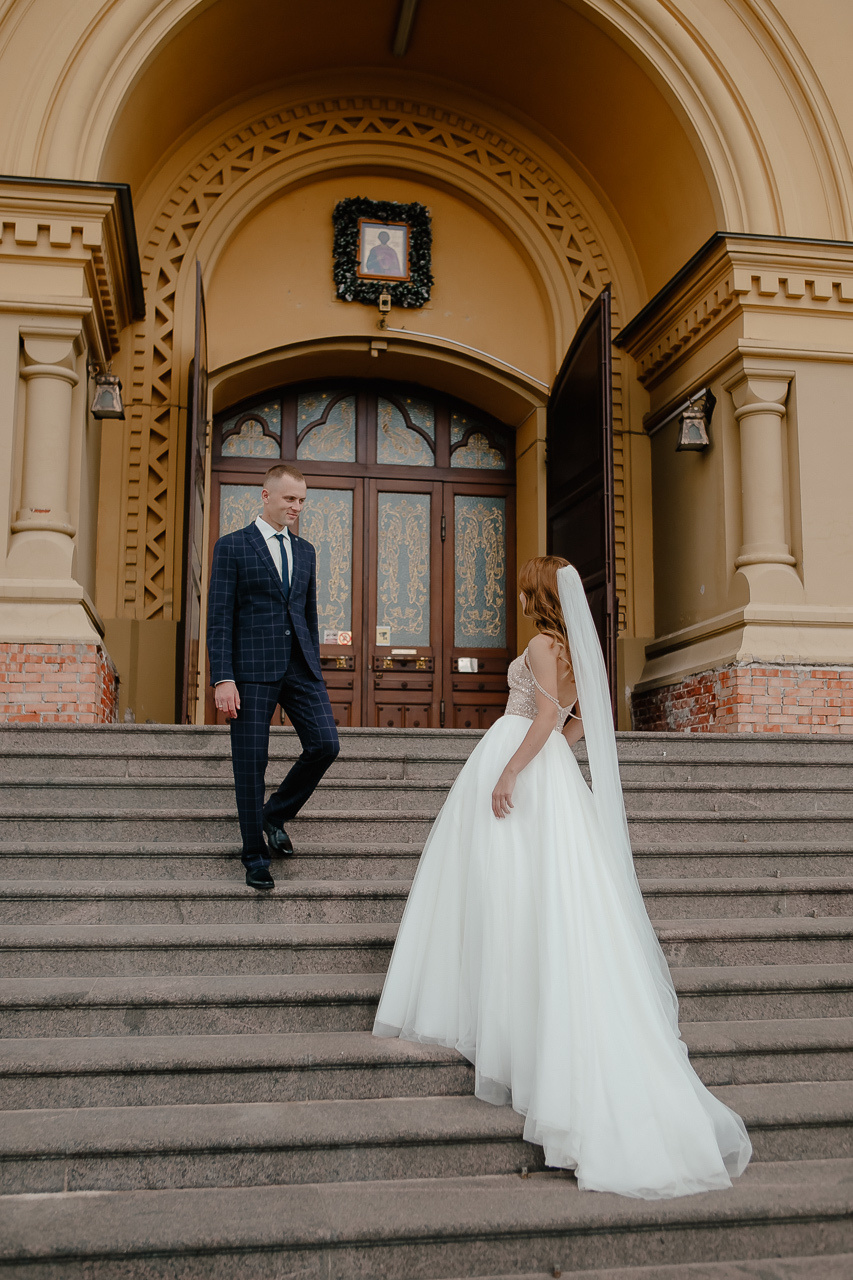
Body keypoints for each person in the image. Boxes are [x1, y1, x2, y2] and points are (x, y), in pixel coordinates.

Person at [374, 556, 752, 1199]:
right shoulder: (574, 649)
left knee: (510, 891)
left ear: (537, 594)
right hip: (548, 769)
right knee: (539, 894)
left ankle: (512, 1026)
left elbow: (547, 719)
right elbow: (577, 721)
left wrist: (512, 770)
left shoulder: (542, 645)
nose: (519, 595)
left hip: (521, 759)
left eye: (525, 587)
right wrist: (549, 759)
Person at [207, 463, 339, 890]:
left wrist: (313, 664)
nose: (296, 507)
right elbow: (219, 617)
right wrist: (223, 677)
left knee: (326, 744)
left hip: (300, 667)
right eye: (289, 499)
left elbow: (307, 614)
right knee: (251, 764)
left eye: (302, 500)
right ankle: (254, 856)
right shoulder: (232, 546)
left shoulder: (306, 551)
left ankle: (274, 814)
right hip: (250, 671)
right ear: (266, 496)